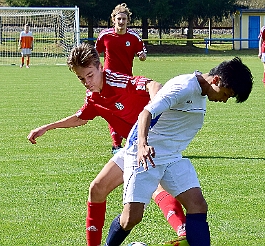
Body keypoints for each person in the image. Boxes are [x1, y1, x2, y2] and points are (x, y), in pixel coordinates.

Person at [27, 43, 186, 246]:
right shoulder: (93, 97)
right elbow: (80, 118)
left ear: (100, 66)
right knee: (98, 188)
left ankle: (183, 233)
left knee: (153, 189)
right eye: (81, 78)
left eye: (90, 75)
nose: (86, 82)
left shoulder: (118, 81)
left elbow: (153, 85)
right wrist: (47, 127)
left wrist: (154, 110)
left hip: (153, 142)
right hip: (132, 145)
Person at [104, 57, 254, 246]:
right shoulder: (183, 87)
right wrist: (142, 145)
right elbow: (146, 113)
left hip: (172, 158)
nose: (224, 100)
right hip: (146, 156)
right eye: (226, 94)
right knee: (130, 219)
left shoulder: (201, 88)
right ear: (216, 80)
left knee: (198, 206)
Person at [95, 3, 147, 154]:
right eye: (119, 19)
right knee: (113, 111)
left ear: (128, 20)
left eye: (124, 19)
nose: (121, 22)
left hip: (126, 81)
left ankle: (128, 141)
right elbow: (95, 53)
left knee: (128, 111)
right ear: (114, 20)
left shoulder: (133, 37)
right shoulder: (105, 35)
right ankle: (116, 145)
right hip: (108, 80)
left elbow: (142, 52)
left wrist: (142, 56)